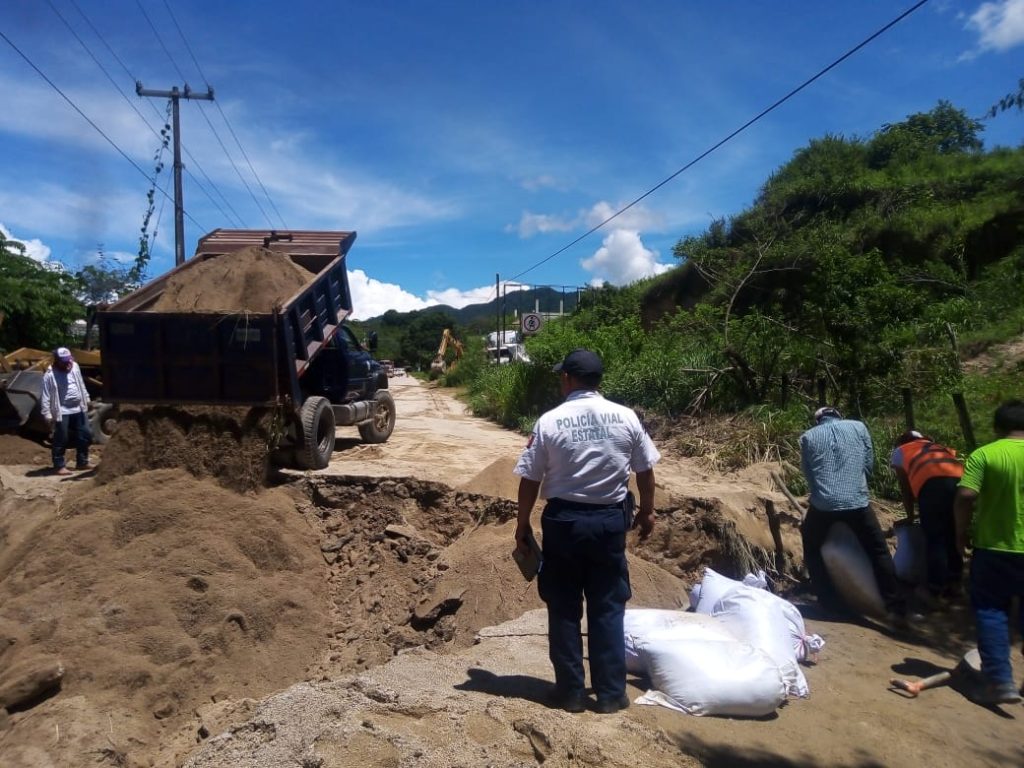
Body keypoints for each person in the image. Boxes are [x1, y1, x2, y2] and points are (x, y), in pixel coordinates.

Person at [513, 349, 660, 714]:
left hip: (563, 523)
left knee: (563, 607)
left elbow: (530, 479)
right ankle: (610, 694)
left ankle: (571, 693)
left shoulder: (550, 421)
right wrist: (647, 511)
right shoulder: (626, 417)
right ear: (598, 380)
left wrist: (522, 523)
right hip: (610, 523)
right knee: (608, 606)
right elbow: (645, 471)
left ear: (567, 379)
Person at [799, 406, 914, 625]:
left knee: (812, 547)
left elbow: (809, 473)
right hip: (858, 502)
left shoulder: (808, 436)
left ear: (818, 420)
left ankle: (829, 603)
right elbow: (868, 464)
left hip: (824, 506)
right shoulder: (858, 427)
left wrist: (821, 495)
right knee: (878, 551)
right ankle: (896, 607)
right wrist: (856, 485)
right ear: (838, 416)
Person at [953, 399, 1024, 706]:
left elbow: (966, 495)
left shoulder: (986, 454)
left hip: (994, 548)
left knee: (991, 611)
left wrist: (960, 532)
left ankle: (999, 681)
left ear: (997, 427)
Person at [890, 430, 964, 599]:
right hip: (962, 484)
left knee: (935, 537)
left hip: (933, 485)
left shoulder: (901, 451)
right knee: (952, 533)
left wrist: (910, 516)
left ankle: (934, 589)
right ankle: (955, 583)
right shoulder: (938, 447)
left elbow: (905, 488)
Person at [40, 346, 92, 476]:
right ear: (57, 360)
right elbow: (45, 395)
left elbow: (80, 383)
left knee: (84, 434)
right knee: (61, 438)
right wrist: (46, 413)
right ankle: (59, 465)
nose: (67, 363)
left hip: (79, 407)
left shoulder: (75, 366)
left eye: (68, 360)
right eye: (64, 361)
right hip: (62, 410)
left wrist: (86, 397)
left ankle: (82, 461)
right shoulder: (49, 375)